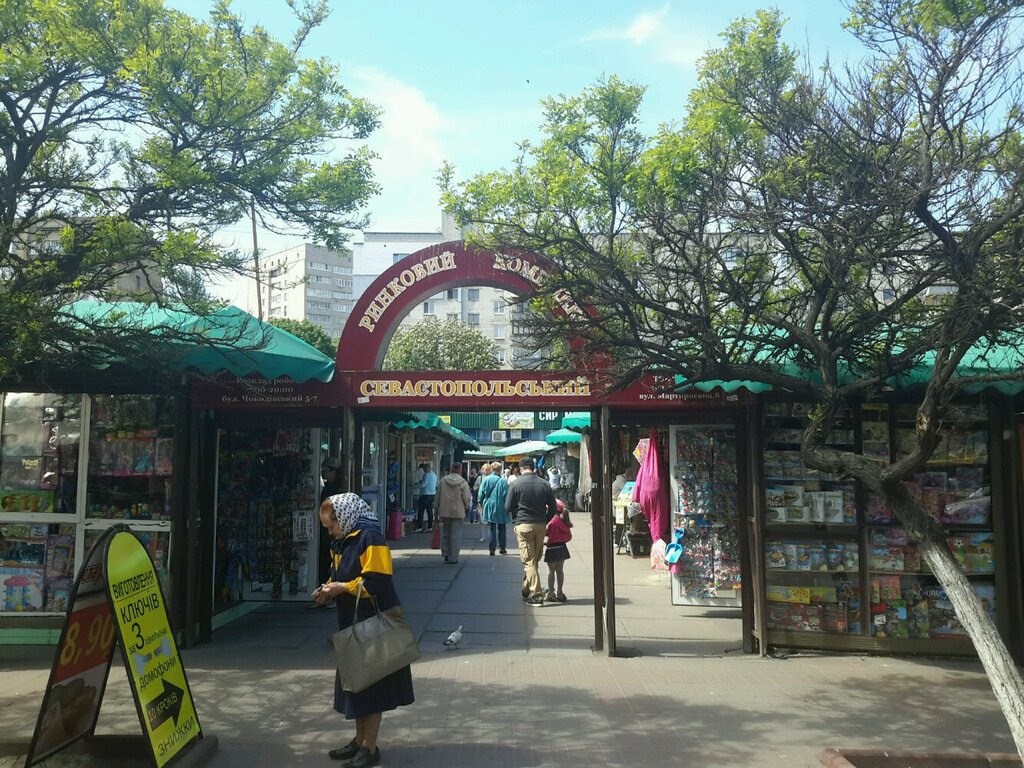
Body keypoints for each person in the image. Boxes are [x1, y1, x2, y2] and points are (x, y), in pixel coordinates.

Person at [315, 493, 414, 767]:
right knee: (356, 685)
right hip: (353, 621)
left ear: (344, 517)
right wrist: (328, 588)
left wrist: (340, 588)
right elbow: (341, 575)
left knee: (371, 686)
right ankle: (359, 741)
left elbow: (377, 582)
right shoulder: (343, 539)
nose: (330, 531)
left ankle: (370, 748)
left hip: (373, 622)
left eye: (331, 526)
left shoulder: (370, 538)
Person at [505, 457, 558, 606]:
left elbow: (507, 507)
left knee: (529, 561)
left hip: (523, 525)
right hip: (540, 524)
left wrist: (517, 514)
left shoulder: (516, 483)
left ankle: (537, 595)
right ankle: (526, 589)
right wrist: (545, 520)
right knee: (534, 560)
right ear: (533, 467)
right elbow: (553, 507)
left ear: (521, 469)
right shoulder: (545, 484)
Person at [436, 462, 470, 564]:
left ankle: (446, 553)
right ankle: (453, 557)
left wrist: (436, 509)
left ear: (451, 468)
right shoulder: (463, 482)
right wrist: (466, 507)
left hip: (445, 510)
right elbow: (466, 497)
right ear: (460, 470)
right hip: (458, 512)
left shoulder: (443, 480)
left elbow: (438, 497)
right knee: (455, 534)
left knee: (446, 533)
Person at [317, 457, 344, 586]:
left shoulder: (339, 489)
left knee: (332, 560)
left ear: (334, 471)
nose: (323, 473)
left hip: (334, 529)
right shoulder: (327, 487)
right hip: (325, 527)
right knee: (324, 560)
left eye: (326, 470)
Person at [477, 461, 510, 556]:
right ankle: (502, 547)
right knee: (502, 527)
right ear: (500, 470)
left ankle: (492, 548)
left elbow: (481, 493)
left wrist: (480, 502)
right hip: (501, 506)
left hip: (489, 506)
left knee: (492, 528)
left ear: (492, 469)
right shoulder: (503, 481)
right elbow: (506, 495)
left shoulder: (486, 479)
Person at [544, 499, 572, 602]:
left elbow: (548, 534)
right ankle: (560, 592)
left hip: (552, 548)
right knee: (560, 571)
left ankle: (551, 592)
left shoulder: (552, 522)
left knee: (551, 571)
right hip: (562, 548)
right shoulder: (563, 521)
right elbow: (569, 536)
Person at [414, 463, 437, 533]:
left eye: (424, 469)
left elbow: (424, 485)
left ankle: (419, 527)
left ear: (426, 468)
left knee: (421, 511)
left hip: (425, 495)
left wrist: (416, 486)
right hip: (432, 494)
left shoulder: (427, 474)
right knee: (429, 511)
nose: (423, 470)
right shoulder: (434, 475)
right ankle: (430, 527)